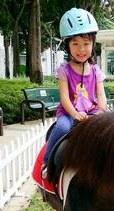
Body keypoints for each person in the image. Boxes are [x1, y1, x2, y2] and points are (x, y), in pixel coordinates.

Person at [42, 8, 106, 177]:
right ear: (67, 45)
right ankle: (47, 162)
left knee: (108, 131)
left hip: (91, 112)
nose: (81, 49)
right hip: (69, 113)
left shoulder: (96, 71)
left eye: (86, 43)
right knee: (62, 128)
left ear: (93, 44)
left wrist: (101, 112)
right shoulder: (65, 70)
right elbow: (64, 98)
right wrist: (75, 114)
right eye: (75, 44)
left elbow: (101, 96)